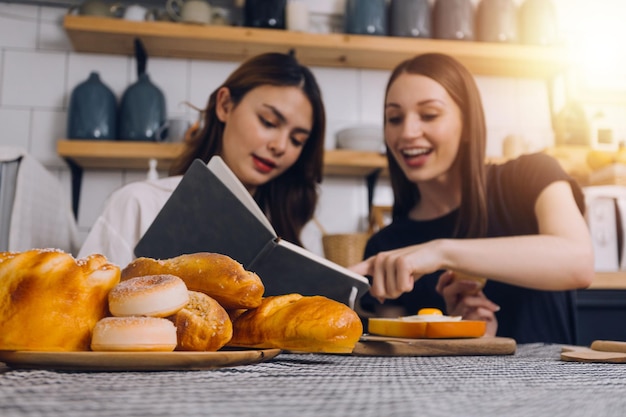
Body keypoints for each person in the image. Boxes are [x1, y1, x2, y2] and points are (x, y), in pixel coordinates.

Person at [351, 53, 594, 344]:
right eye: (394, 118)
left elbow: (578, 262)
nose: (407, 132)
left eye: (429, 115)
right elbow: (394, 362)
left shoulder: (531, 176)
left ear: (467, 124)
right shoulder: (387, 247)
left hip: (555, 388)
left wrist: (441, 251)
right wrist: (466, 335)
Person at [78, 52, 326, 268]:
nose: (280, 146)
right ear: (225, 105)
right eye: (268, 122)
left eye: (297, 140)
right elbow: (81, 308)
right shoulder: (139, 204)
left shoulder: (300, 229)